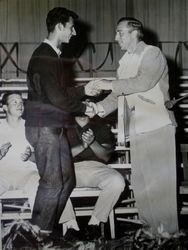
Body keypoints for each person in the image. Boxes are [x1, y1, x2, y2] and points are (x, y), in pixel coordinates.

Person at [87, 17, 179, 235]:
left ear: (134, 32)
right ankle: (150, 233)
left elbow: (142, 82)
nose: (115, 37)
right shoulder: (125, 61)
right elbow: (118, 93)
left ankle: (169, 236)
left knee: (161, 186)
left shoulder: (152, 54)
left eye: (120, 32)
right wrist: (96, 108)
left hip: (158, 125)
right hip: (137, 129)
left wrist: (108, 83)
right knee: (143, 185)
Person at [24, 6, 99, 242]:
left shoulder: (50, 55)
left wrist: (83, 91)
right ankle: (35, 239)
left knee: (67, 180)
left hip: (53, 126)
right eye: (70, 27)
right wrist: (85, 106)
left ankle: (46, 231)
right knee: (53, 182)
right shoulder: (46, 55)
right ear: (59, 27)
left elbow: (56, 92)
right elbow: (56, 98)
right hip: (44, 127)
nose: (74, 33)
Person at [59, 115, 125, 241]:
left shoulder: (101, 126)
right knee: (54, 182)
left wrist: (92, 143)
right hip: (70, 168)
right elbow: (60, 156)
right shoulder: (62, 126)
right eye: (82, 103)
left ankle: (95, 224)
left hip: (98, 168)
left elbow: (105, 156)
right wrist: (83, 146)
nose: (86, 106)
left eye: (89, 103)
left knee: (117, 181)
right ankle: (71, 226)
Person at [0, 92, 39, 210]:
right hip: (2, 174)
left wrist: (30, 156)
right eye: (14, 102)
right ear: (5, 107)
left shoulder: (32, 127)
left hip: (28, 174)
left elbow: (44, 158)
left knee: (40, 187)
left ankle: (41, 227)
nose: (20, 105)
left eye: (21, 102)